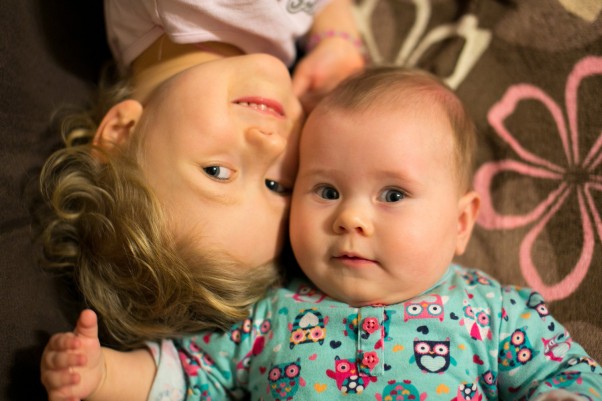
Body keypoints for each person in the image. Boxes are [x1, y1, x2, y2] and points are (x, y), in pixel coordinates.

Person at [41, 68, 602, 401]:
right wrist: (104, 373)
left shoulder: (492, 312)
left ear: (460, 223)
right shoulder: (271, 313)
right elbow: (188, 376)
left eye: (393, 195)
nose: (350, 219)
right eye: (327, 191)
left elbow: (572, 374)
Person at [40, 0, 365, 348]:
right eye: (275, 185)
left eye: (217, 172)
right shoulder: (241, 59)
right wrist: (336, 40)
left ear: (121, 134)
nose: (270, 144)